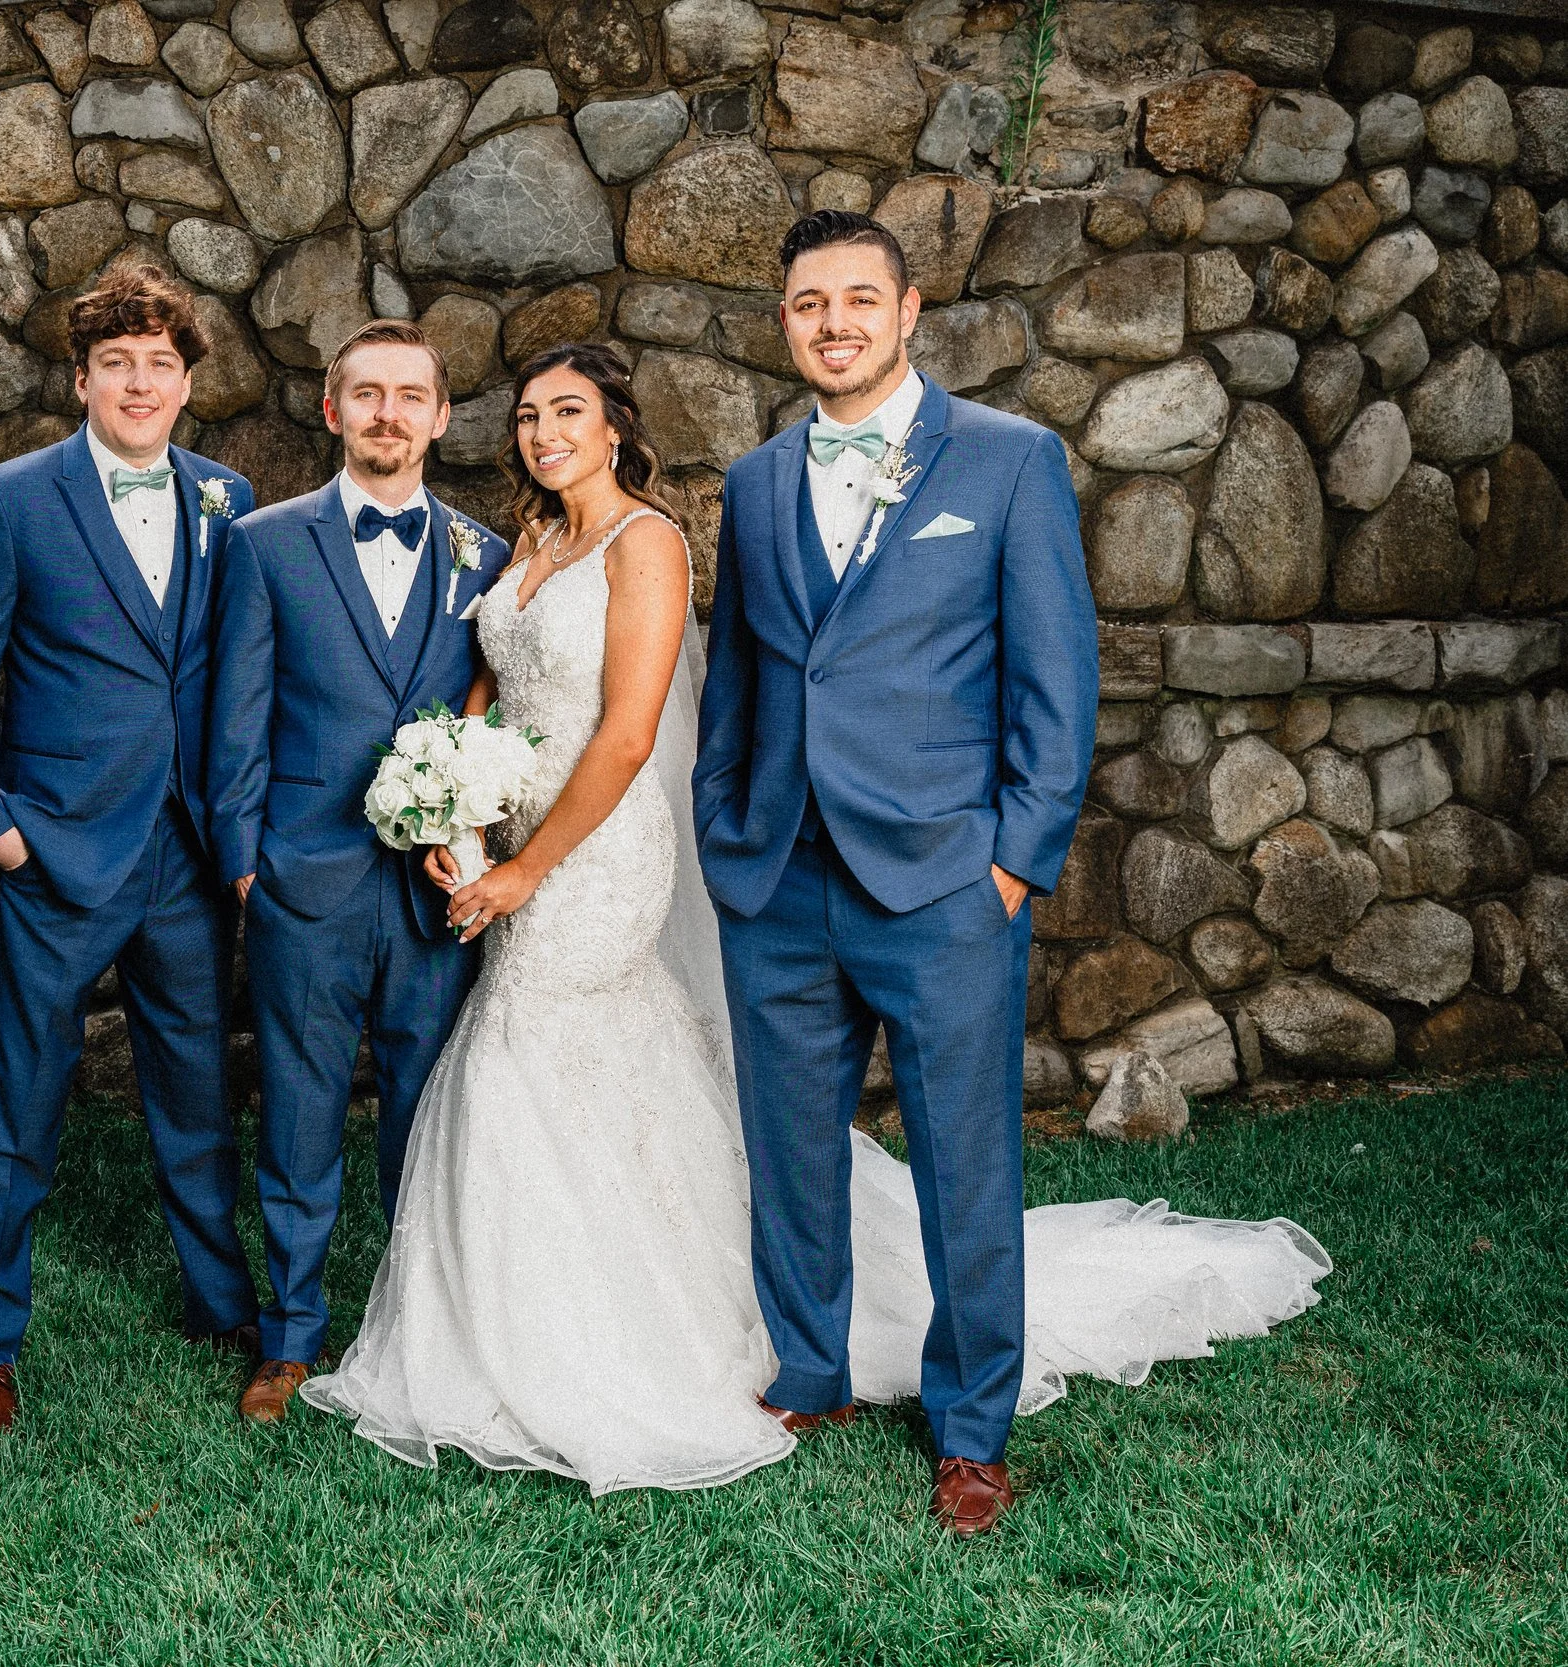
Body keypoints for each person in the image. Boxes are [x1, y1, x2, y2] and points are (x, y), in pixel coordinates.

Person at [300, 294, 1330, 1520]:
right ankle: (801, 1365)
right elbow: (703, 679)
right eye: (525, 415)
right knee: (778, 1146)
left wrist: (1012, 861)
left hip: (910, 873)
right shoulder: (732, 488)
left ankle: (969, 1426)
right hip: (769, 872)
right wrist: (467, 814)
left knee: (960, 1160)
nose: (538, 431)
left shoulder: (993, 464)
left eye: (564, 410)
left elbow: (1038, 675)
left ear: (901, 312)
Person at [0, 266, 260, 1439]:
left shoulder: (227, 499)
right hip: (57, 851)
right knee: (16, 1100)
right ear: (81, 379)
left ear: (185, 381)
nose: (140, 382)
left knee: (198, 1095)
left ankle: (222, 1304)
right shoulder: (12, 502)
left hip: (184, 851)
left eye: (161, 363)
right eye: (117, 362)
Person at [206, 320, 511, 1423]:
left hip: (439, 895)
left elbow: (498, 712)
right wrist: (247, 868)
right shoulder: (263, 544)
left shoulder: (487, 556)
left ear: (440, 416)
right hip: (304, 880)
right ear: (331, 412)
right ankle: (290, 1336)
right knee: (297, 1109)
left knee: (428, 1116)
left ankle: (413, 1330)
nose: (389, 412)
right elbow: (232, 718)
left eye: (410, 395)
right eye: (366, 394)